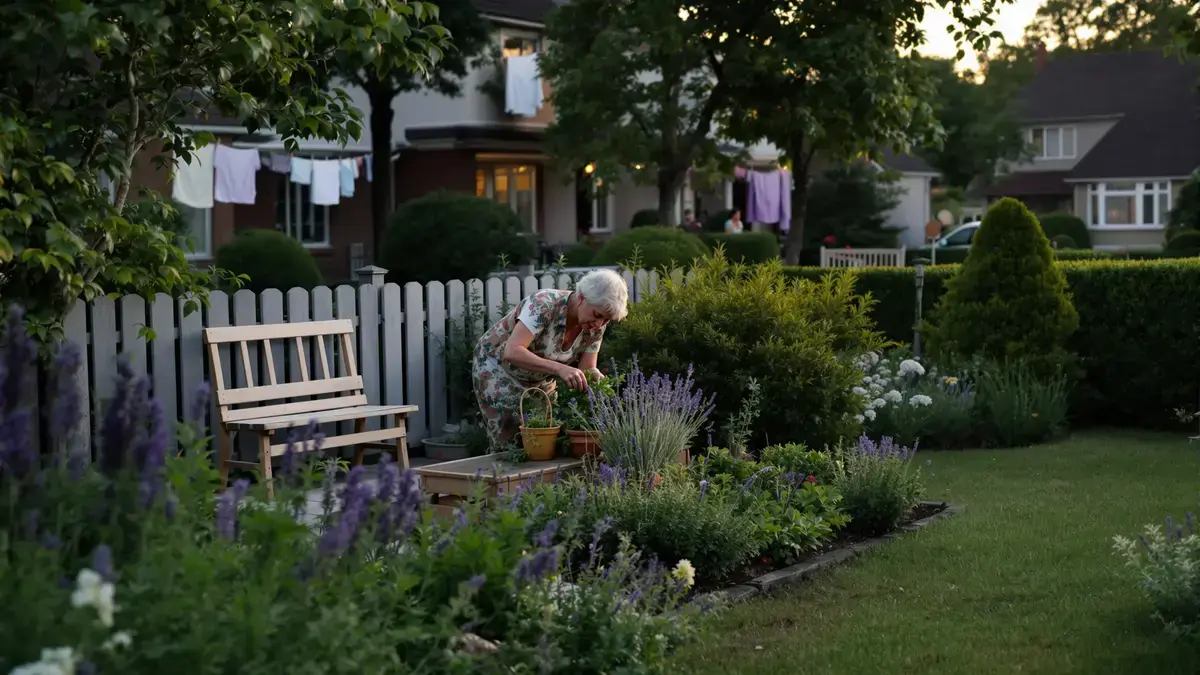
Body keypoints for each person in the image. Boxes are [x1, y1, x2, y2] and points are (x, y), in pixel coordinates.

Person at [472, 269, 630, 448]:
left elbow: (587, 368)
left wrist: (600, 382)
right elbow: (513, 351)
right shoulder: (544, 303)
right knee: (510, 439)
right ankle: (498, 473)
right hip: (497, 366)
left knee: (548, 437)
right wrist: (560, 368)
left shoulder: (595, 326)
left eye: (607, 320)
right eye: (598, 315)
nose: (600, 324)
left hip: (539, 375)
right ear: (581, 298)